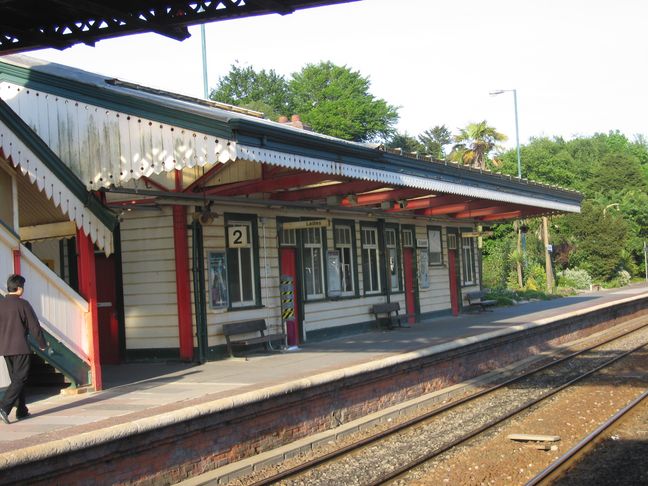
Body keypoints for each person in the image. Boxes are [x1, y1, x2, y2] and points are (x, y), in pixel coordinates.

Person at [0, 274, 48, 424]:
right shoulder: (23, 304)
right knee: (20, 379)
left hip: (5, 349)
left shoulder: (1, 304)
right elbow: (34, 326)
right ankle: (4, 407)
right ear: (19, 288)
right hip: (20, 347)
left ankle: (22, 410)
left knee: (16, 380)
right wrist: (42, 344)